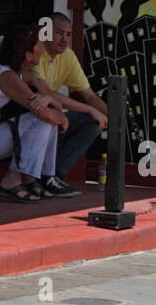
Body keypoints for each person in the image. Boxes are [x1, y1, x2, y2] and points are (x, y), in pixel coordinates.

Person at [0, 22, 69, 202]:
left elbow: (47, 98)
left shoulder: (19, 74)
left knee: (46, 120)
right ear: (27, 53)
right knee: (42, 120)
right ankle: (12, 179)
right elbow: (46, 113)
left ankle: (38, 178)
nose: (43, 48)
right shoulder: (7, 77)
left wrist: (50, 101)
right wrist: (62, 118)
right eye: (39, 45)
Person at [28, 12, 109, 198]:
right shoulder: (36, 52)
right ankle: (46, 177)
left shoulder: (68, 56)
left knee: (92, 121)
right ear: (46, 33)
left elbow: (88, 95)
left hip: (52, 118)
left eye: (69, 35)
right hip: (31, 119)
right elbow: (46, 93)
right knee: (59, 116)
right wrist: (91, 109)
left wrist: (112, 118)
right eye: (59, 33)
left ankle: (55, 175)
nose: (64, 40)